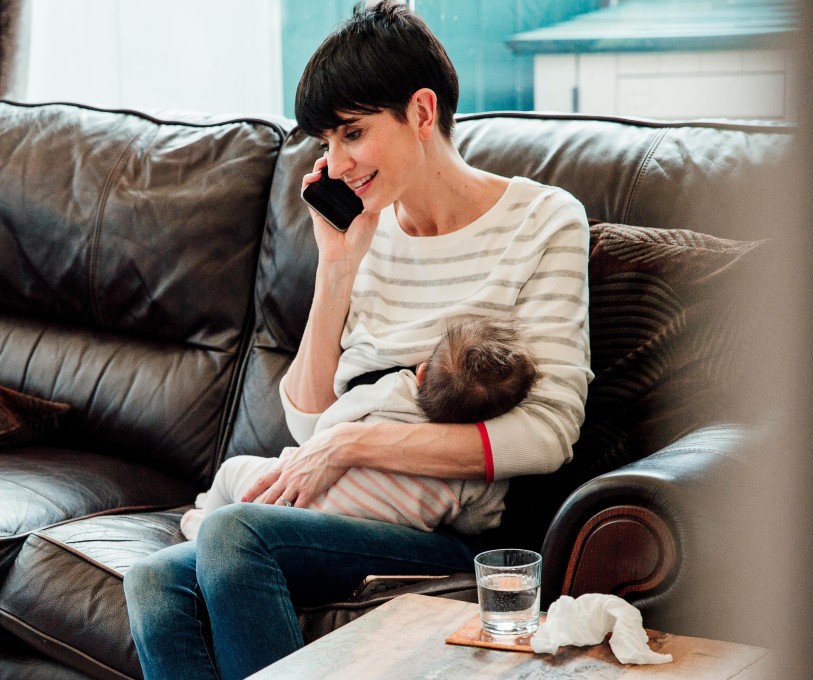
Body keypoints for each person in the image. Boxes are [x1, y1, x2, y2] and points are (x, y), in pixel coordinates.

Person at [123, 3, 592, 679]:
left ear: (422, 113)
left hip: (444, 530)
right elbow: (309, 421)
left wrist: (354, 443)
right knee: (154, 582)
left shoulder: (545, 220)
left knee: (233, 530)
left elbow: (548, 435)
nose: (334, 163)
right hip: (342, 510)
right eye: (324, 141)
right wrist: (338, 267)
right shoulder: (367, 232)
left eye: (352, 133)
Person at [180, 317, 537, 539]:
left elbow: (324, 431)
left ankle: (204, 523)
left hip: (299, 499)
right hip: (375, 535)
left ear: (423, 372)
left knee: (231, 472)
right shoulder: (476, 471)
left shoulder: (391, 393)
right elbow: (481, 522)